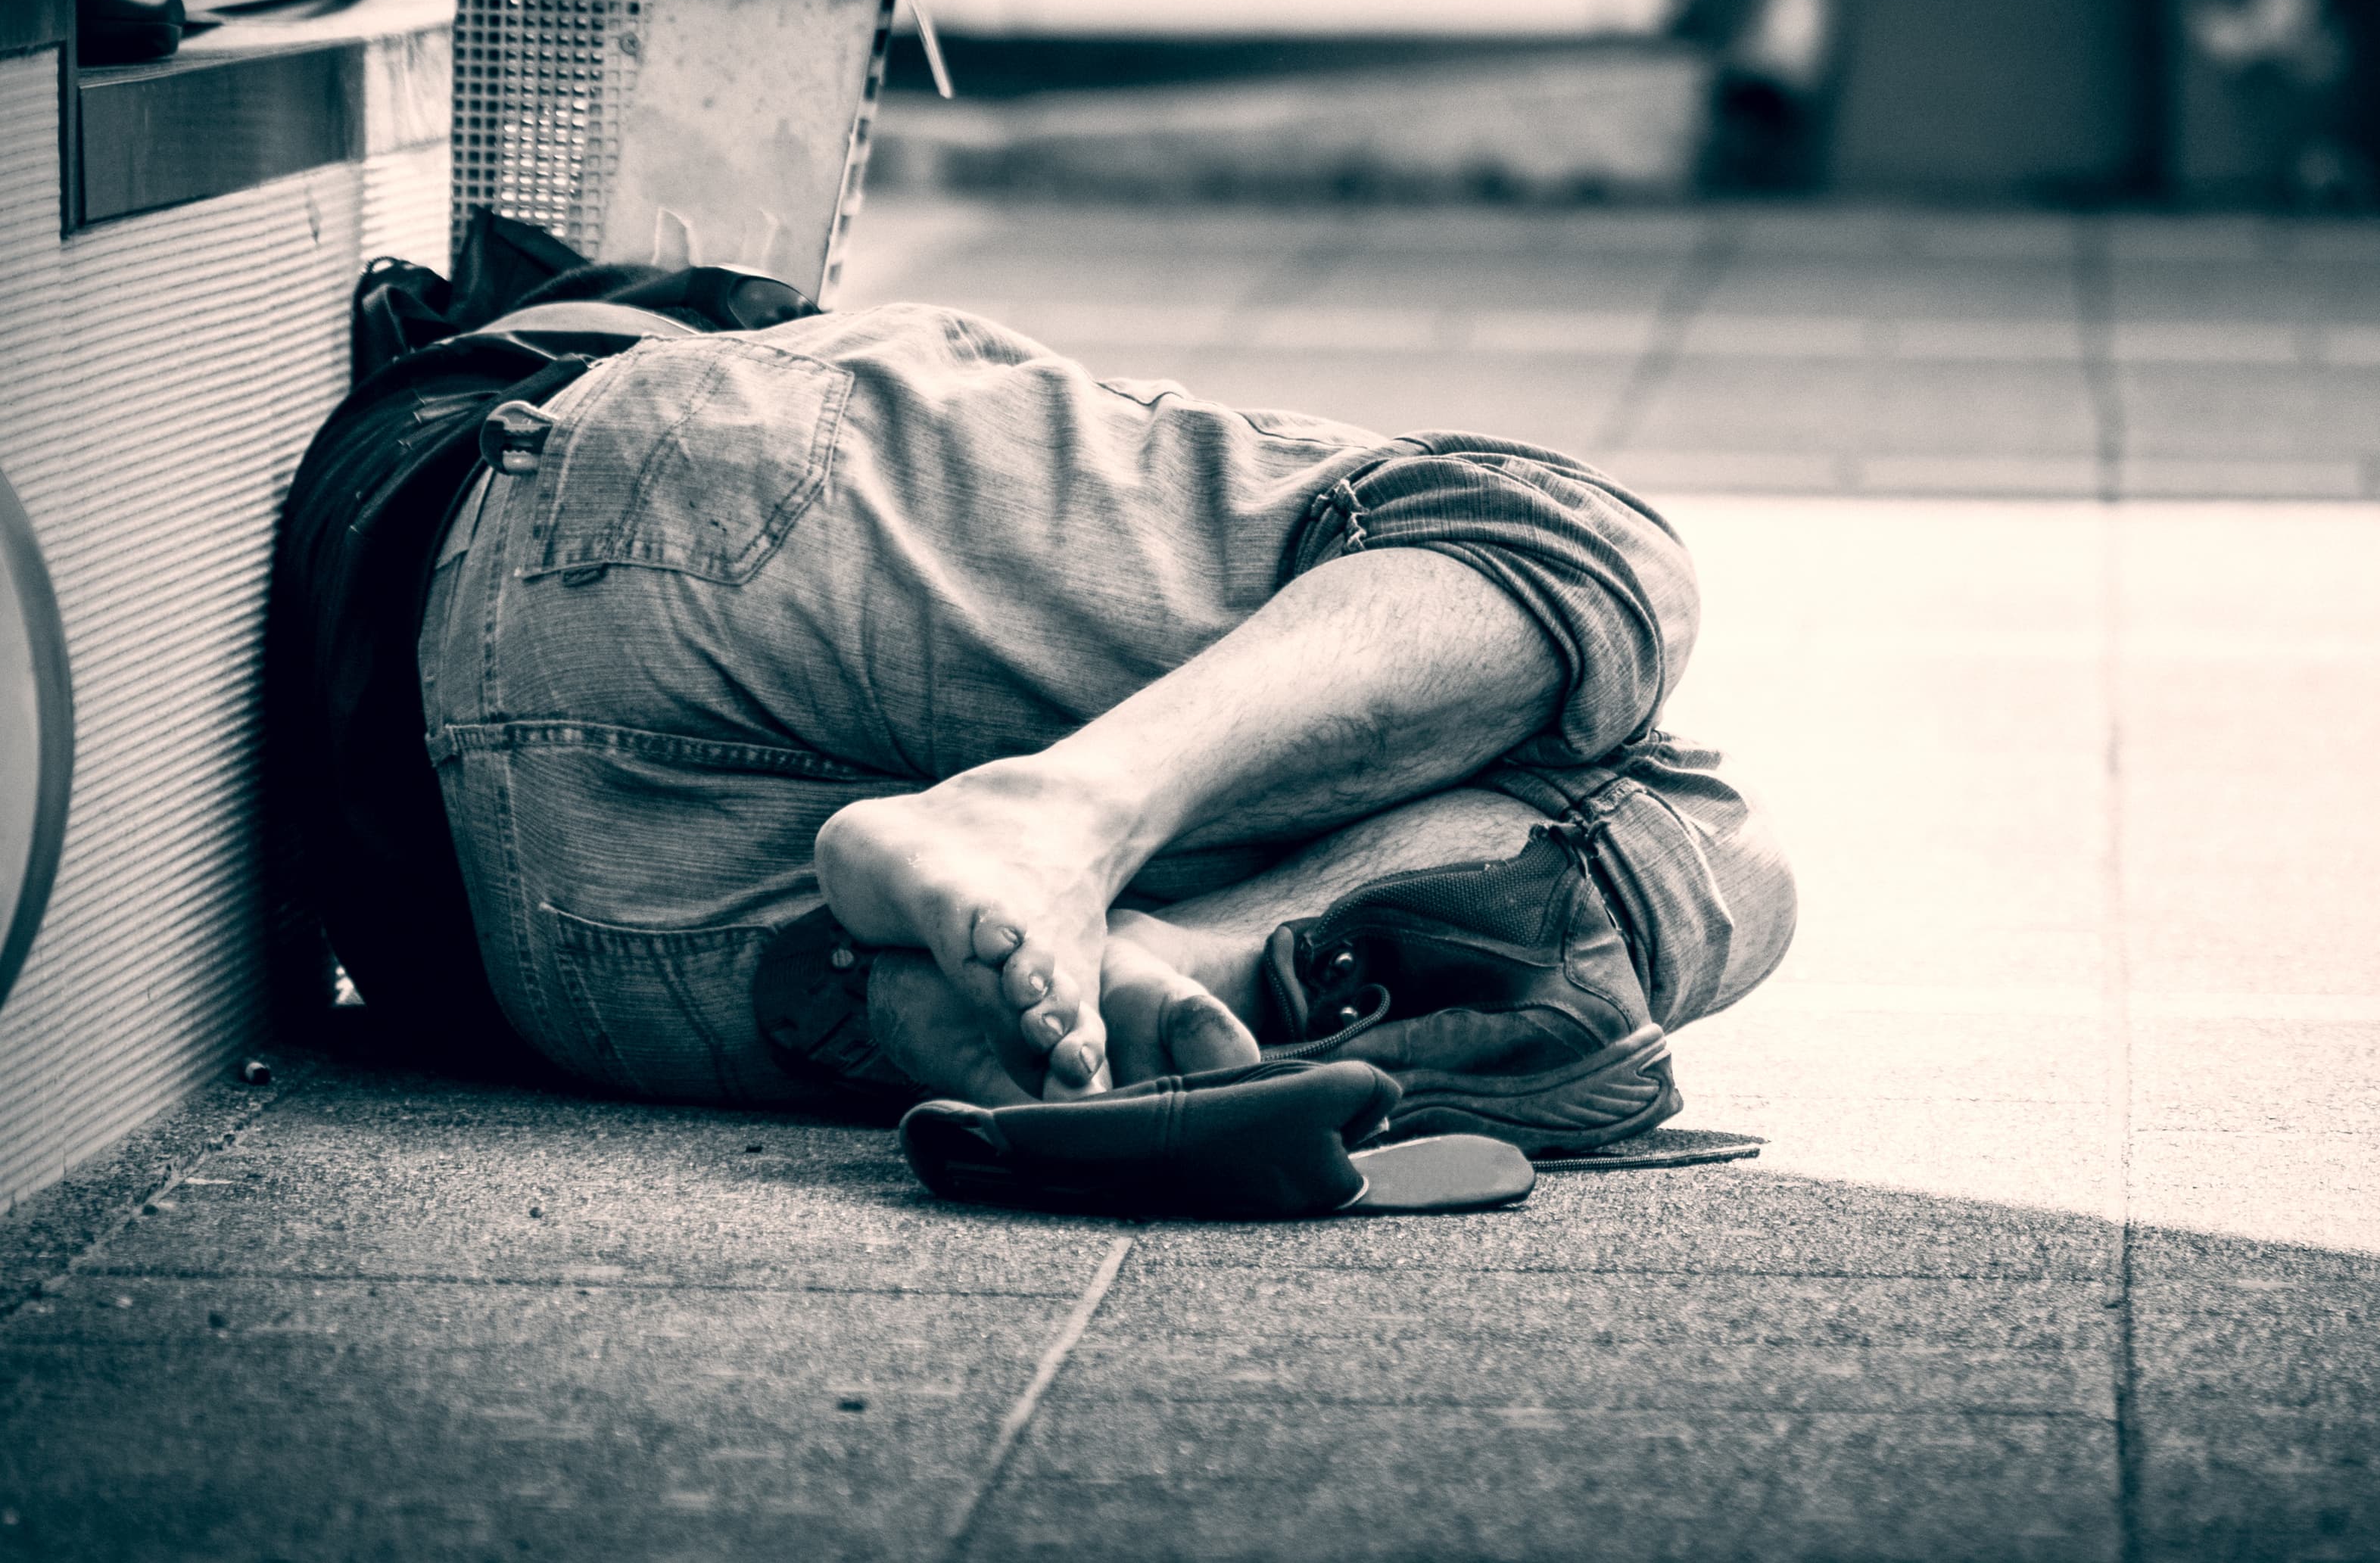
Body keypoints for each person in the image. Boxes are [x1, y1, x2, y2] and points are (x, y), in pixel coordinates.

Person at [416, 298, 1794, 1147]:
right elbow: (1534, 545)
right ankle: (1075, 837)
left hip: (487, 905)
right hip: (585, 929)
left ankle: (1127, 958)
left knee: (1713, 856)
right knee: (1592, 585)